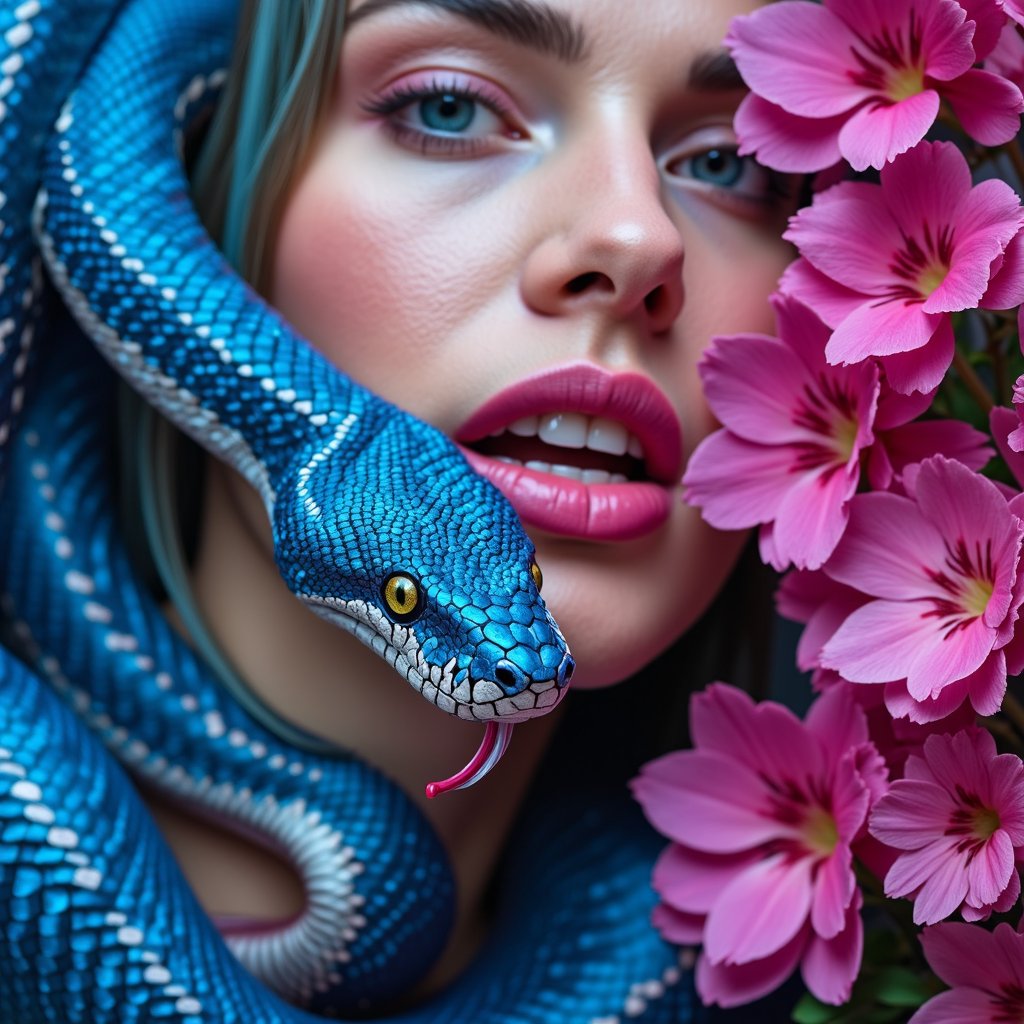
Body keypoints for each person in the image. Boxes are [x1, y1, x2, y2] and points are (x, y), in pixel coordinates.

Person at [0, 0, 798, 1018]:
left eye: (731, 162)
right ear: (210, 172)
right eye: (452, 109)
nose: (635, 239)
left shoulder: (737, 938)